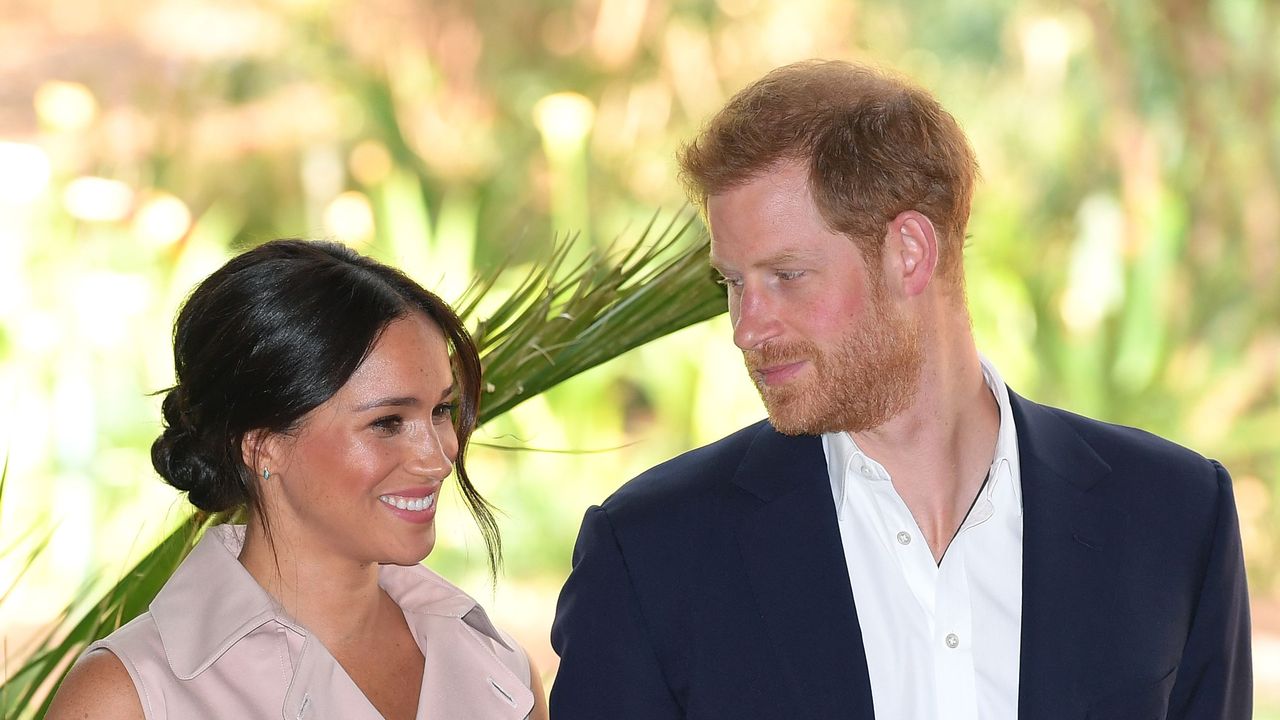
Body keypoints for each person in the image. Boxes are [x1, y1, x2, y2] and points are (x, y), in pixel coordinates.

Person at [550, 60, 1251, 719]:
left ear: (909, 253)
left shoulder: (1176, 517)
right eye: (733, 283)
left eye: (786, 276)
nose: (745, 328)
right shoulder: (648, 554)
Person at [47, 239, 548, 720]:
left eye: (441, 409)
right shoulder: (132, 698)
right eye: (387, 423)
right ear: (263, 443)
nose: (438, 458)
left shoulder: (497, 668)